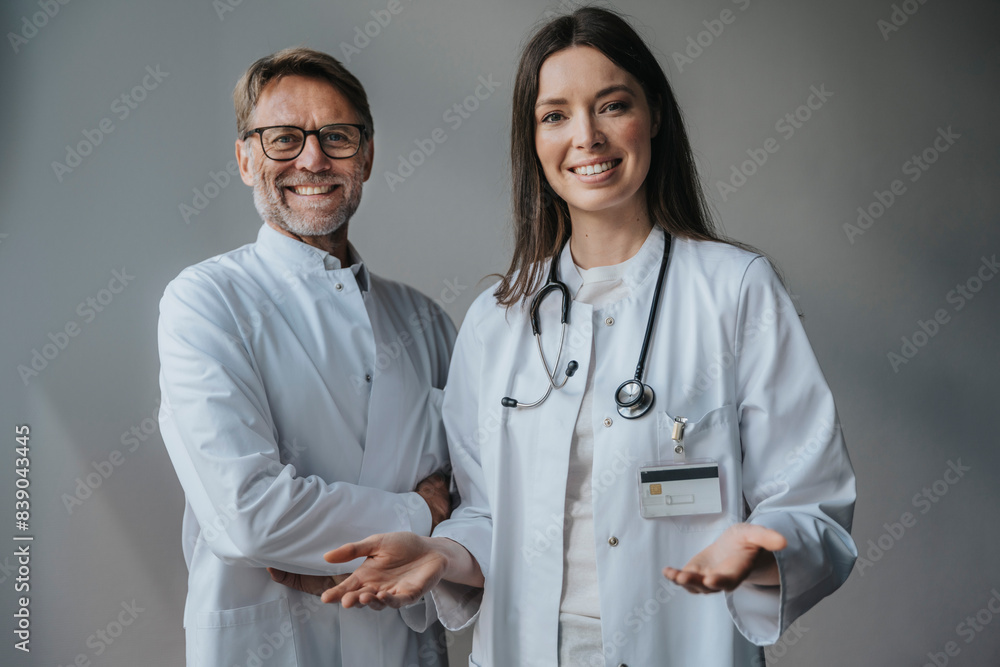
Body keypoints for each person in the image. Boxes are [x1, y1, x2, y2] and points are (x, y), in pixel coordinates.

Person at [272, 8, 858, 666]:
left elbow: (813, 500)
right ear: (533, 138)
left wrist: (758, 545)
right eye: (555, 115)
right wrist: (440, 551)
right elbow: (487, 517)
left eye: (612, 105)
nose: (587, 136)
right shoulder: (500, 320)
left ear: (654, 115)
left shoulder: (735, 290)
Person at [157, 47, 456, 667]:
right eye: (283, 139)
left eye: (337, 137)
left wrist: (433, 527)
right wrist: (418, 513)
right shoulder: (206, 300)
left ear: (366, 156)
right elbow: (250, 513)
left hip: (405, 644)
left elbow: (478, 497)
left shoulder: (428, 322)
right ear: (245, 158)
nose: (313, 159)